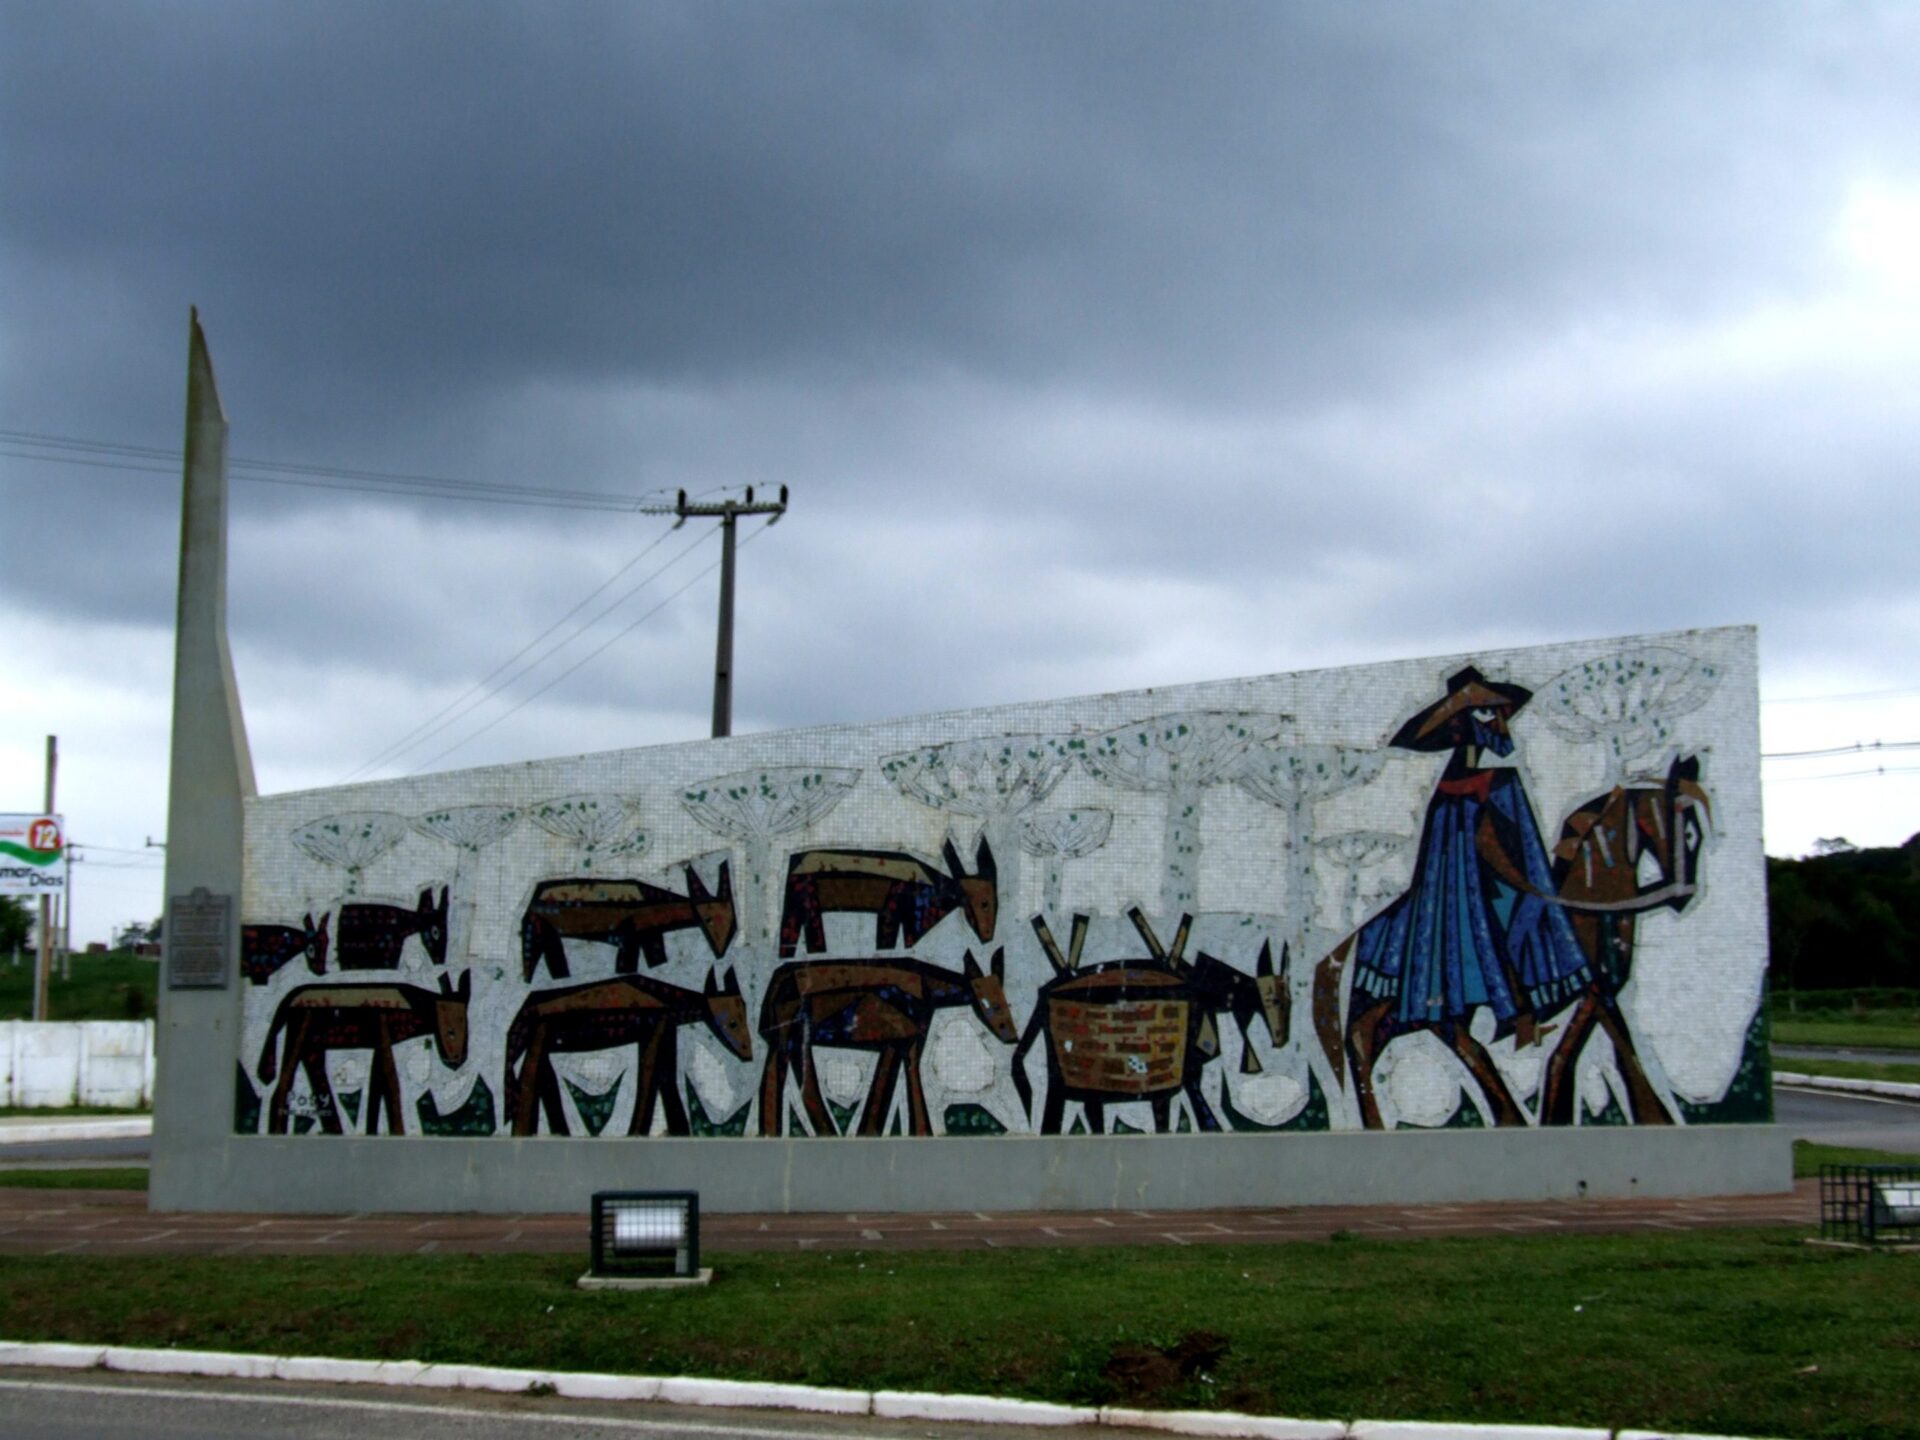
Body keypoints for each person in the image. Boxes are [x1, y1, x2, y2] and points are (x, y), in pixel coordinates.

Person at [1343, 666, 1591, 1127]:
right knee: (1479, 929)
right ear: (1467, 716)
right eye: (1488, 711)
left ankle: (1523, 1009)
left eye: (1499, 712)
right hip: (1454, 878)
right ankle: (1512, 1012)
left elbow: (1518, 843)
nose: (1500, 721)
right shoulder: (1454, 776)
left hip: (1493, 878)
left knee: (1523, 919)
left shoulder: (1499, 775)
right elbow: (1412, 748)